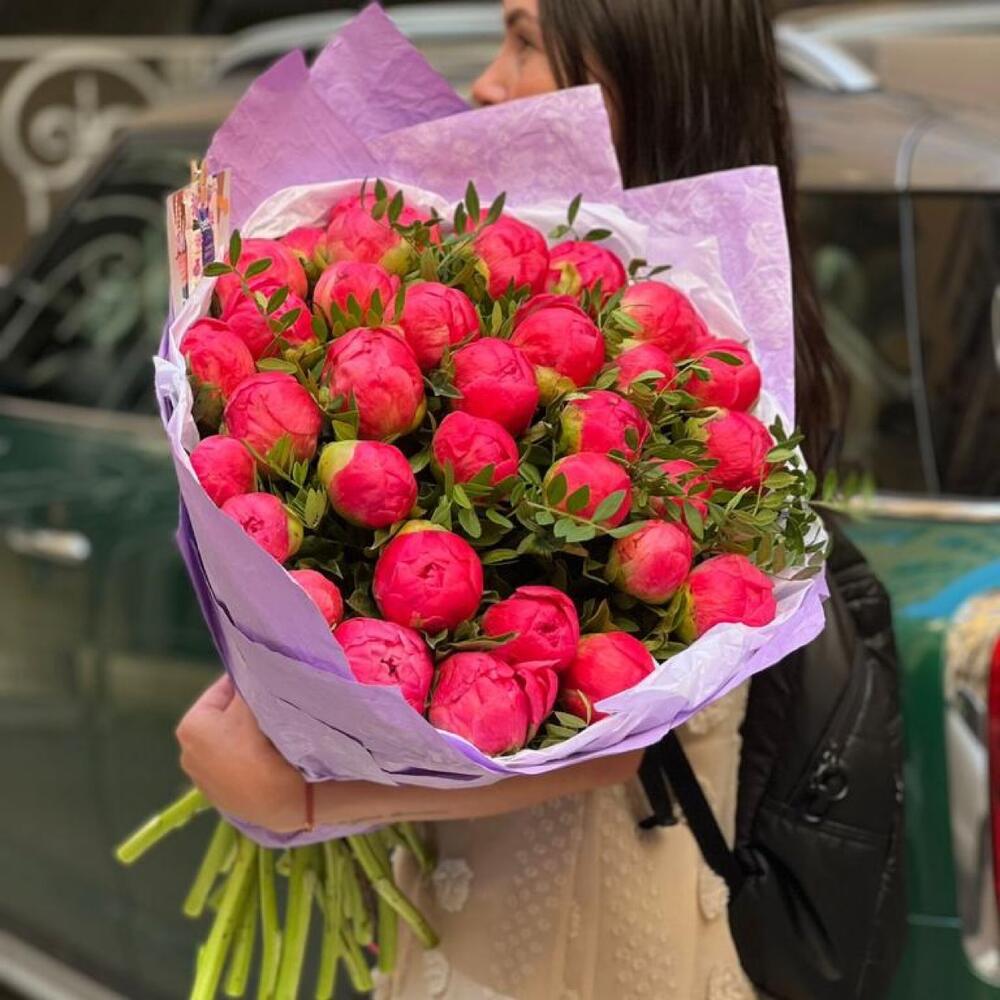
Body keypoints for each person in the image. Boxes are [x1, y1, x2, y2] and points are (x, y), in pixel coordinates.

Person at [177, 2, 845, 997]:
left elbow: (609, 742)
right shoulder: (664, 333)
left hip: (592, 946)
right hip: (495, 919)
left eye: (525, 39)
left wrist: (299, 804)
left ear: (645, 72)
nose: (486, 81)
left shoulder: (705, 378)